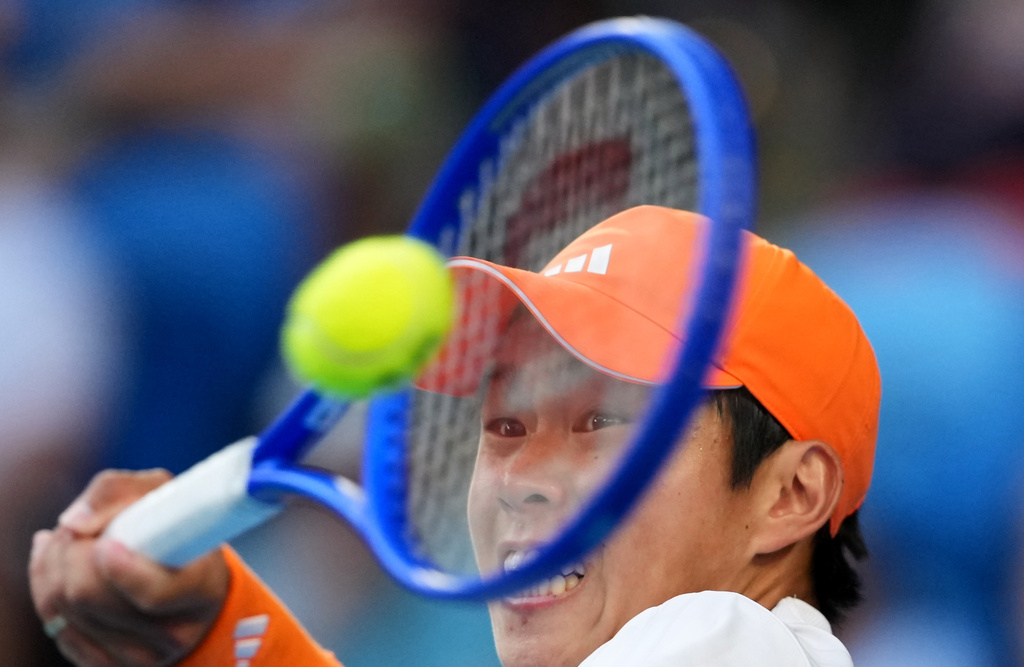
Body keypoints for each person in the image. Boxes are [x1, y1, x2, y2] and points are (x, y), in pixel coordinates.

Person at [29, 205, 880, 667]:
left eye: (605, 421)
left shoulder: (732, 643)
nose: (524, 476)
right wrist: (223, 633)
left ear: (790, 493)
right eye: (505, 424)